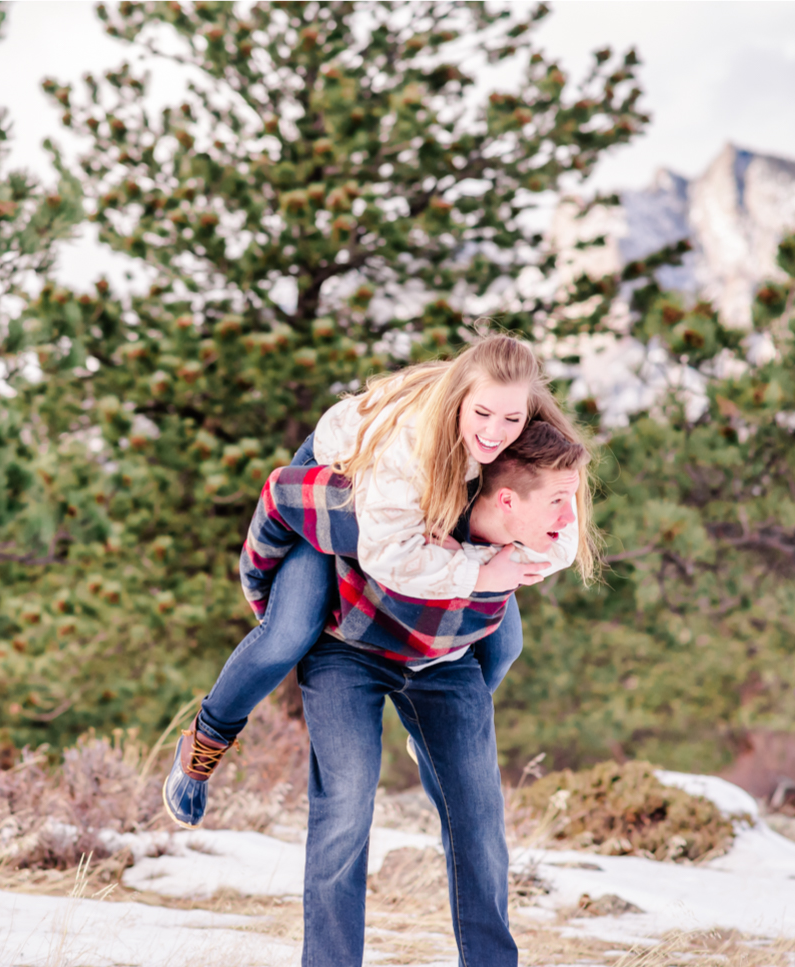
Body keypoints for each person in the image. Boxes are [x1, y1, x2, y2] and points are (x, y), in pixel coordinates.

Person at [162, 335, 596, 828]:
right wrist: (475, 570)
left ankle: (429, 734)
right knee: (292, 631)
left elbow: (561, 533)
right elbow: (388, 553)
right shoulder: (410, 441)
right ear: (460, 396)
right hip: (344, 488)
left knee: (504, 644)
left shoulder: (530, 429)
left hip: (435, 507)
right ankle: (201, 747)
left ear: (529, 409)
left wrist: (502, 557)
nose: (496, 432)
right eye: (482, 414)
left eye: (511, 419)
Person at [294, 421, 590, 967]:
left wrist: (531, 549)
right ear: (508, 500)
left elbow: (563, 534)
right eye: (561, 501)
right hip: (347, 647)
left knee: (479, 816)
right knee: (346, 806)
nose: (573, 514)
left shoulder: (527, 517)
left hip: (443, 661)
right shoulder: (417, 478)